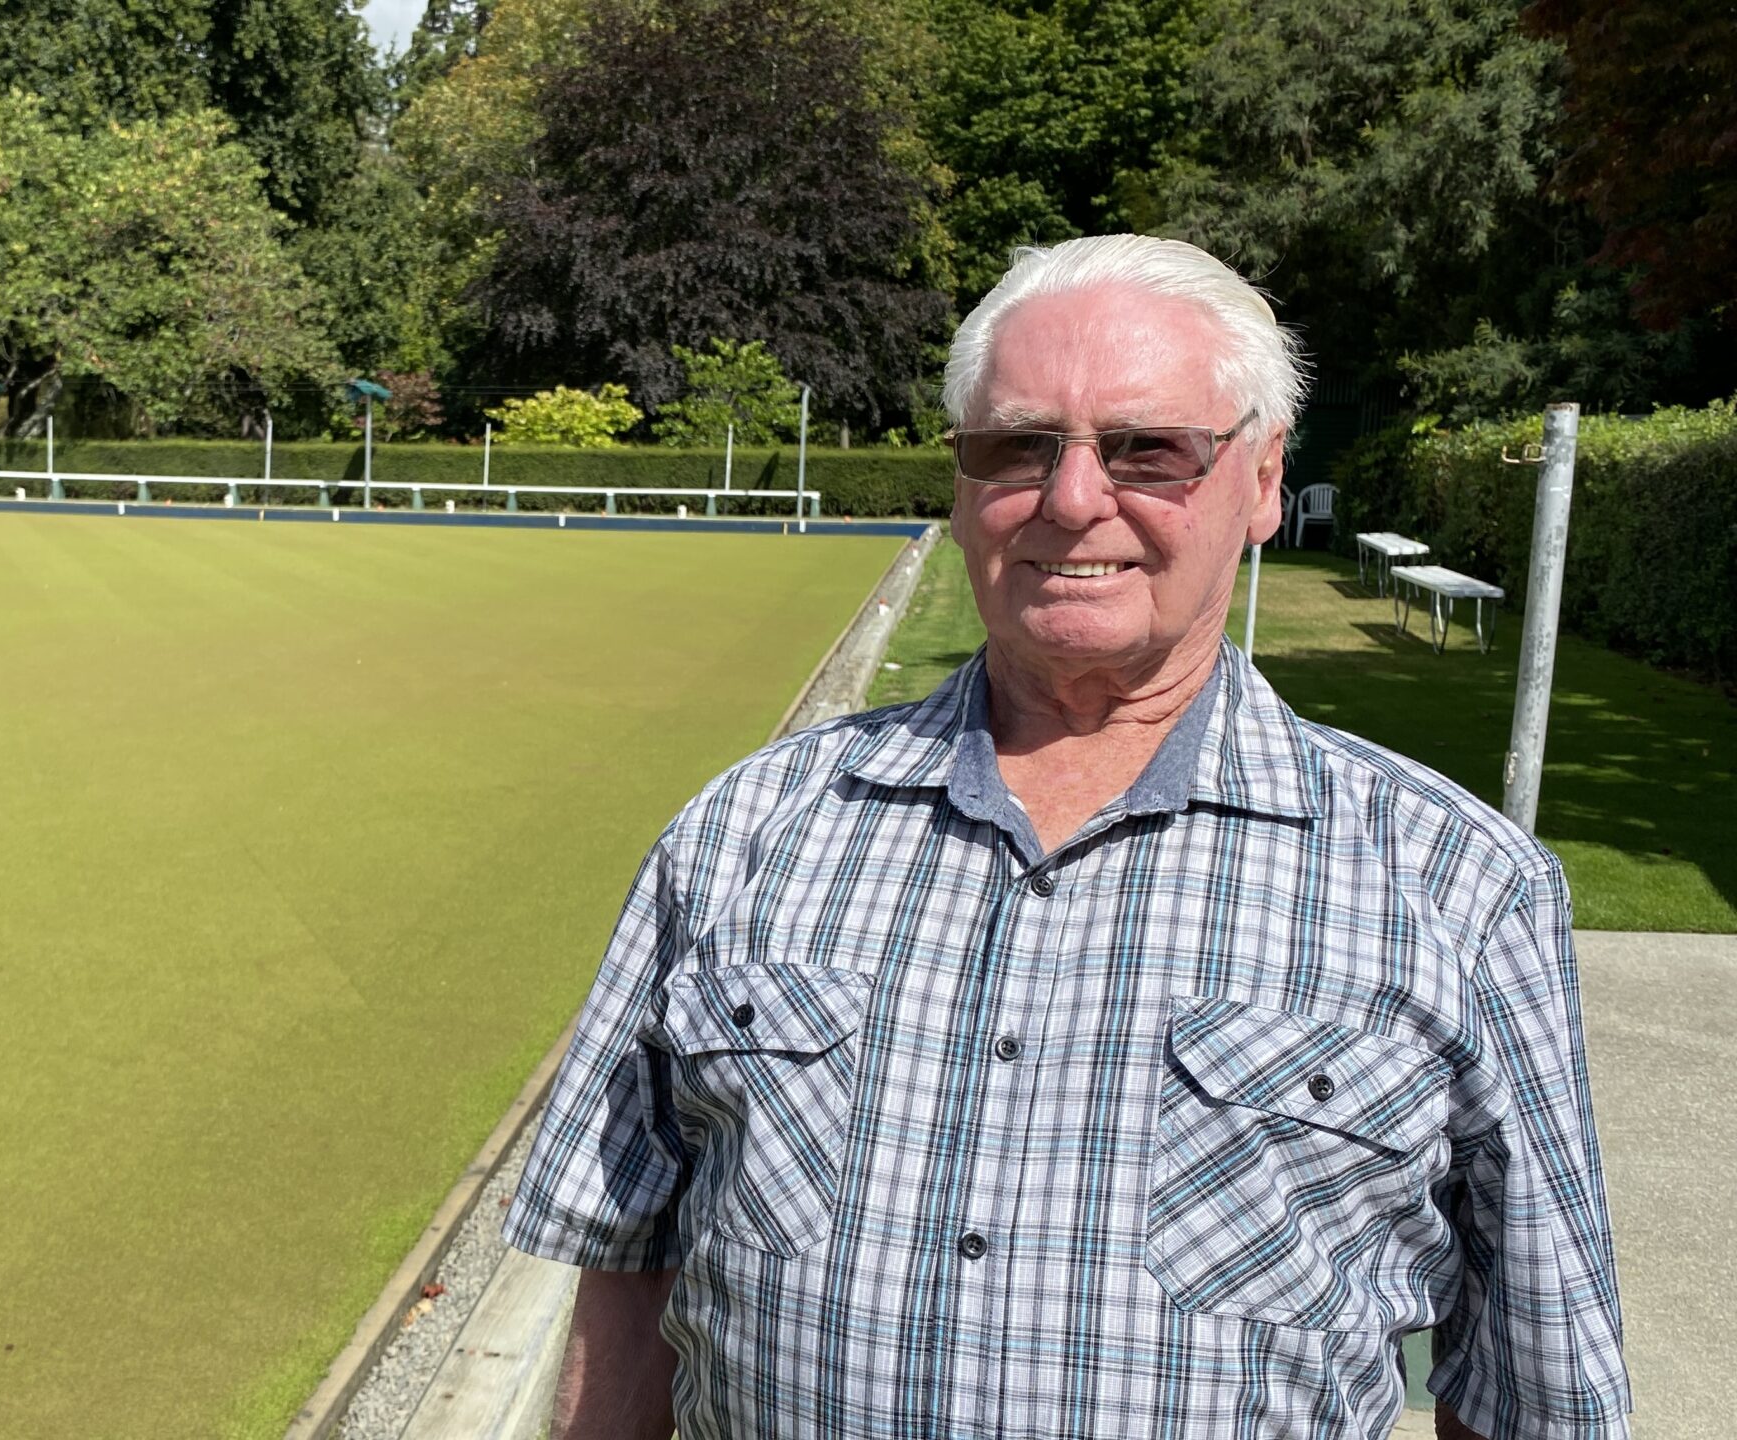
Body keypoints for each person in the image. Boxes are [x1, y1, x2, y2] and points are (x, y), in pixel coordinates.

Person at [501, 234, 1629, 1440]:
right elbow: (623, 1267)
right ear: (961, 481)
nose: (1072, 497)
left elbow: (1533, 1383)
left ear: (1258, 483)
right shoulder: (741, 833)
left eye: (1149, 447)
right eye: (1017, 446)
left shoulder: (1453, 884)